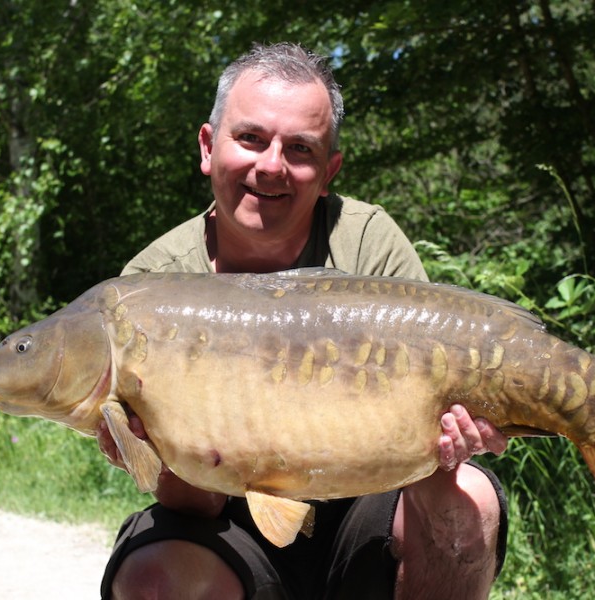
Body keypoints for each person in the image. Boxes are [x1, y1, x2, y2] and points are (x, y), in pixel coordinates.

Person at [98, 42, 509, 600]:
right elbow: (193, 503)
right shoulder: (149, 289)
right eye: (250, 138)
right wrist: (151, 450)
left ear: (328, 170)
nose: (272, 165)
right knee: (153, 579)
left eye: (299, 148)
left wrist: (453, 436)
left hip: (368, 498)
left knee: (468, 503)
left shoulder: (366, 242)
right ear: (207, 146)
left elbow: (430, 426)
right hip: (227, 522)